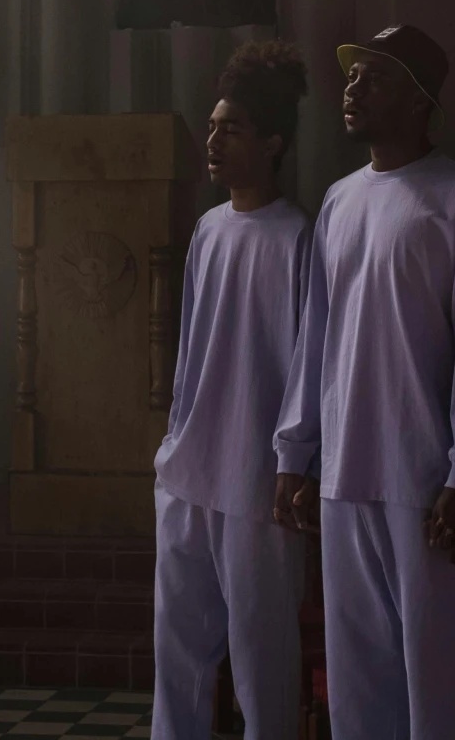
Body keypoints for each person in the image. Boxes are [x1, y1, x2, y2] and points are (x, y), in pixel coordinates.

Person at [272, 24, 455, 740]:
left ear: (419, 100)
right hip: (346, 471)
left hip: (429, 483)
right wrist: (295, 452)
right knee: (360, 679)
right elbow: (315, 337)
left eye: (373, 77)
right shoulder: (339, 201)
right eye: (352, 77)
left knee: (444, 678)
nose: (352, 89)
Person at [153, 39, 316, 740]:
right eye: (213, 125)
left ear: (274, 142)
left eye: (233, 129)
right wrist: (171, 445)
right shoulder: (207, 231)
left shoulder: (298, 238)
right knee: (178, 655)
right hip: (189, 470)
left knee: (262, 661)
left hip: (257, 482)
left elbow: (309, 363)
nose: (214, 139)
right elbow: (190, 351)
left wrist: (292, 460)